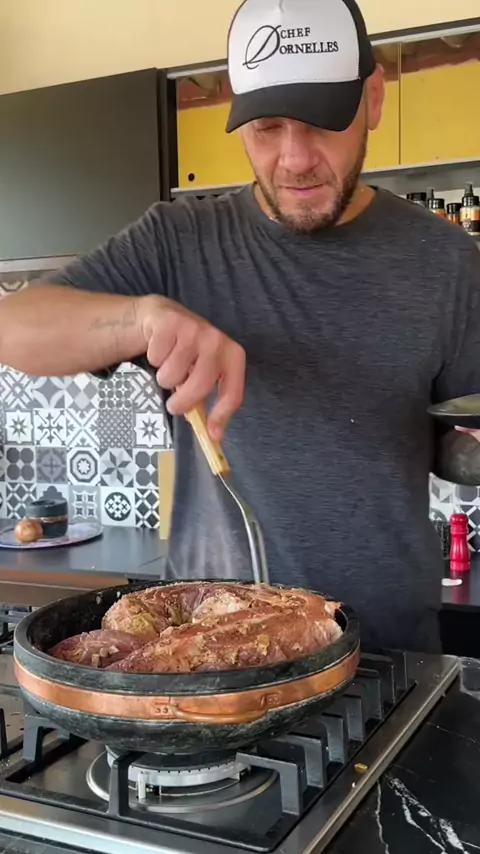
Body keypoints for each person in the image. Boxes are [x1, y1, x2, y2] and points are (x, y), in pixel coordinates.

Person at [1, 0, 480, 653]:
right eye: (267, 127)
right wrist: (141, 317)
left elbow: (457, 440)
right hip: (210, 659)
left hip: (390, 655)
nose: (295, 158)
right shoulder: (178, 242)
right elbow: (14, 327)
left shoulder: (444, 260)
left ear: (372, 98)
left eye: (323, 122)